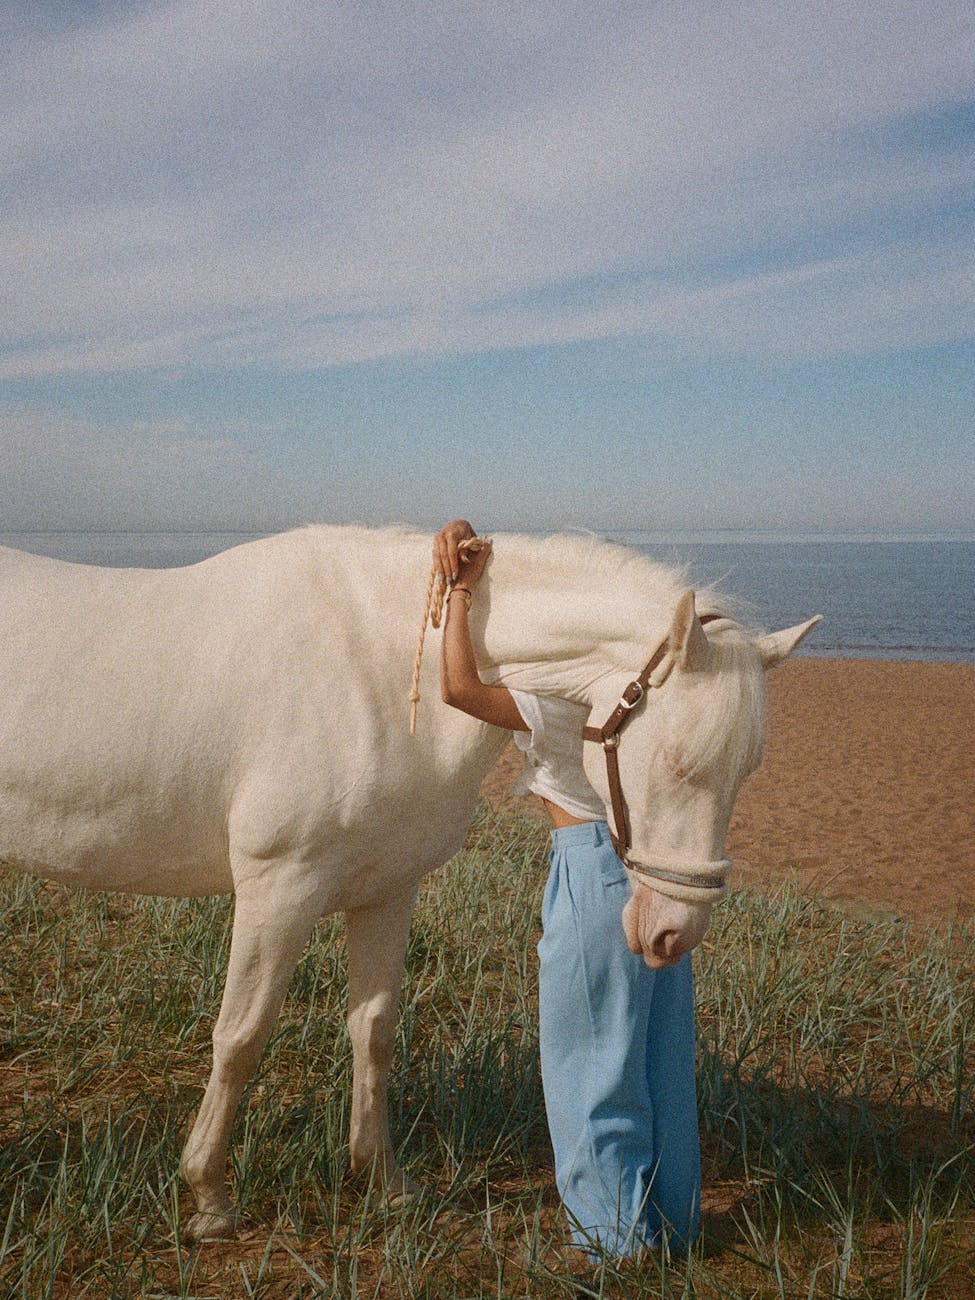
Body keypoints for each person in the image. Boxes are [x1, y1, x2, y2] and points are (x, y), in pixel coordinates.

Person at [433, 520, 701, 1260]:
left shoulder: (558, 692)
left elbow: (458, 686)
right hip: (653, 863)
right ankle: (672, 1228)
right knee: (659, 1061)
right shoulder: (633, 688)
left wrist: (459, 592)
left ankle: (612, 1244)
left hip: (591, 863)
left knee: (589, 1064)